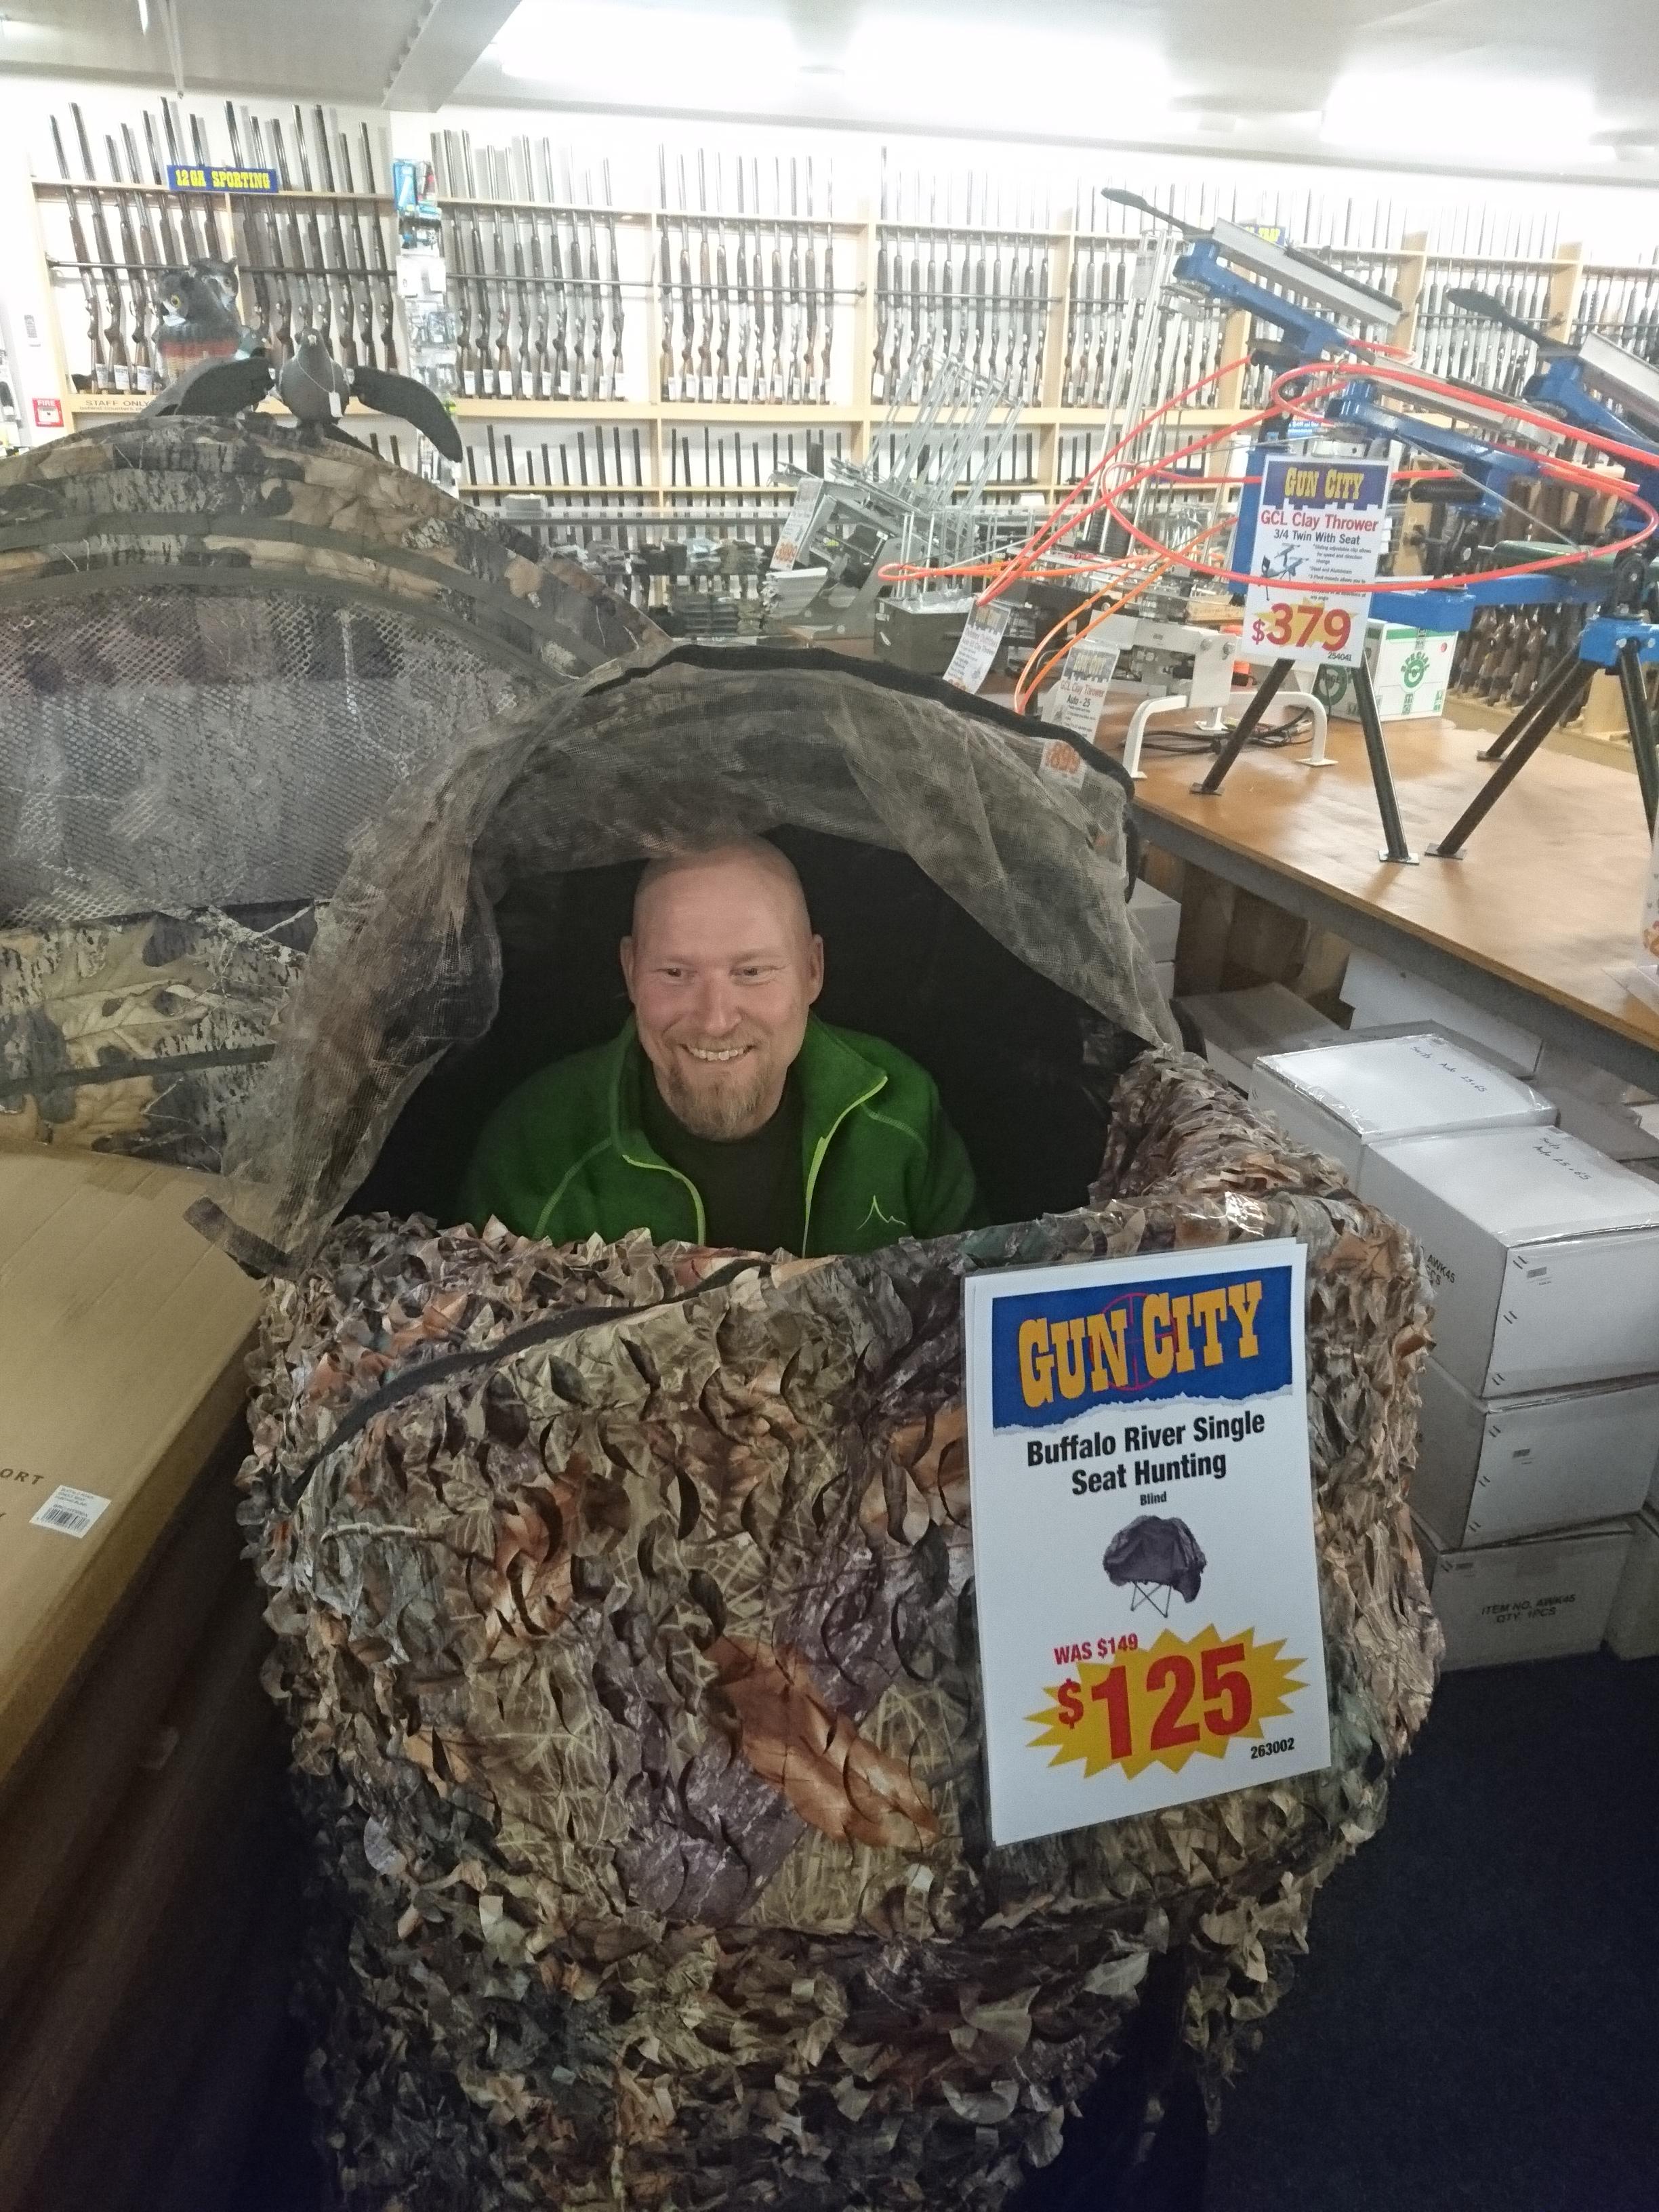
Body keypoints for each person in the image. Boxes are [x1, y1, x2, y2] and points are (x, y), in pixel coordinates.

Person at [460, 837, 983, 1256]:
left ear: (812, 971)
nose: (715, 1021)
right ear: (630, 971)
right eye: (676, 973)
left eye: (752, 972)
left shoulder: (902, 1113)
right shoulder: (534, 1146)